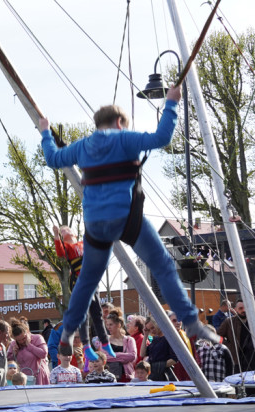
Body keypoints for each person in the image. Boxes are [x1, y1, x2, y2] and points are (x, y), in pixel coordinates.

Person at [40, 91, 218, 356]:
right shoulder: (126, 139)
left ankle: (67, 332)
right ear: (120, 123)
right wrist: (171, 103)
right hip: (126, 218)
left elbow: (53, 159)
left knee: (87, 282)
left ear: (98, 124)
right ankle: (190, 321)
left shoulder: (82, 146)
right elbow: (162, 137)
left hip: (96, 224)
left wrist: (45, 133)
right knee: (163, 267)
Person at [52, 224, 111, 360]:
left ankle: (105, 341)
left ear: (74, 233)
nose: (64, 231)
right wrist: (56, 236)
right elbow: (60, 252)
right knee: (83, 314)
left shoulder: (83, 243)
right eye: (62, 231)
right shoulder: (68, 247)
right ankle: (86, 344)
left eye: (66, 229)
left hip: (92, 279)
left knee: (97, 312)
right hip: (79, 279)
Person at [6, 318, 50, 386]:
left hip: (38, 377)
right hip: (22, 379)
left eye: (24, 338)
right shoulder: (13, 344)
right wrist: (14, 354)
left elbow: (43, 354)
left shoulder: (37, 338)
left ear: (27, 331)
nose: (22, 341)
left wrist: (29, 346)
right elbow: (9, 361)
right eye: (19, 340)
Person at [217, 301, 254, 373]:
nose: (243, 310)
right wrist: (228, 346)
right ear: (236, 309)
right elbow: (217, 336)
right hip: (236, 360)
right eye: (240, 308)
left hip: (251, 359)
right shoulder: (229, 321)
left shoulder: (253, 322)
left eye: (245, 308)